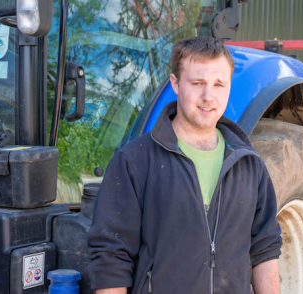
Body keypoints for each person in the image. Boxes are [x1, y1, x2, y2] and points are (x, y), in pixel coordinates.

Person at [87, 36, 282, 294]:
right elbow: (111, 257)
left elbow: (264, 250)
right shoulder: (135, 161)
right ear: (176, 84)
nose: (208, 96)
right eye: (197, 83)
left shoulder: (250, 165)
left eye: (219, 84)